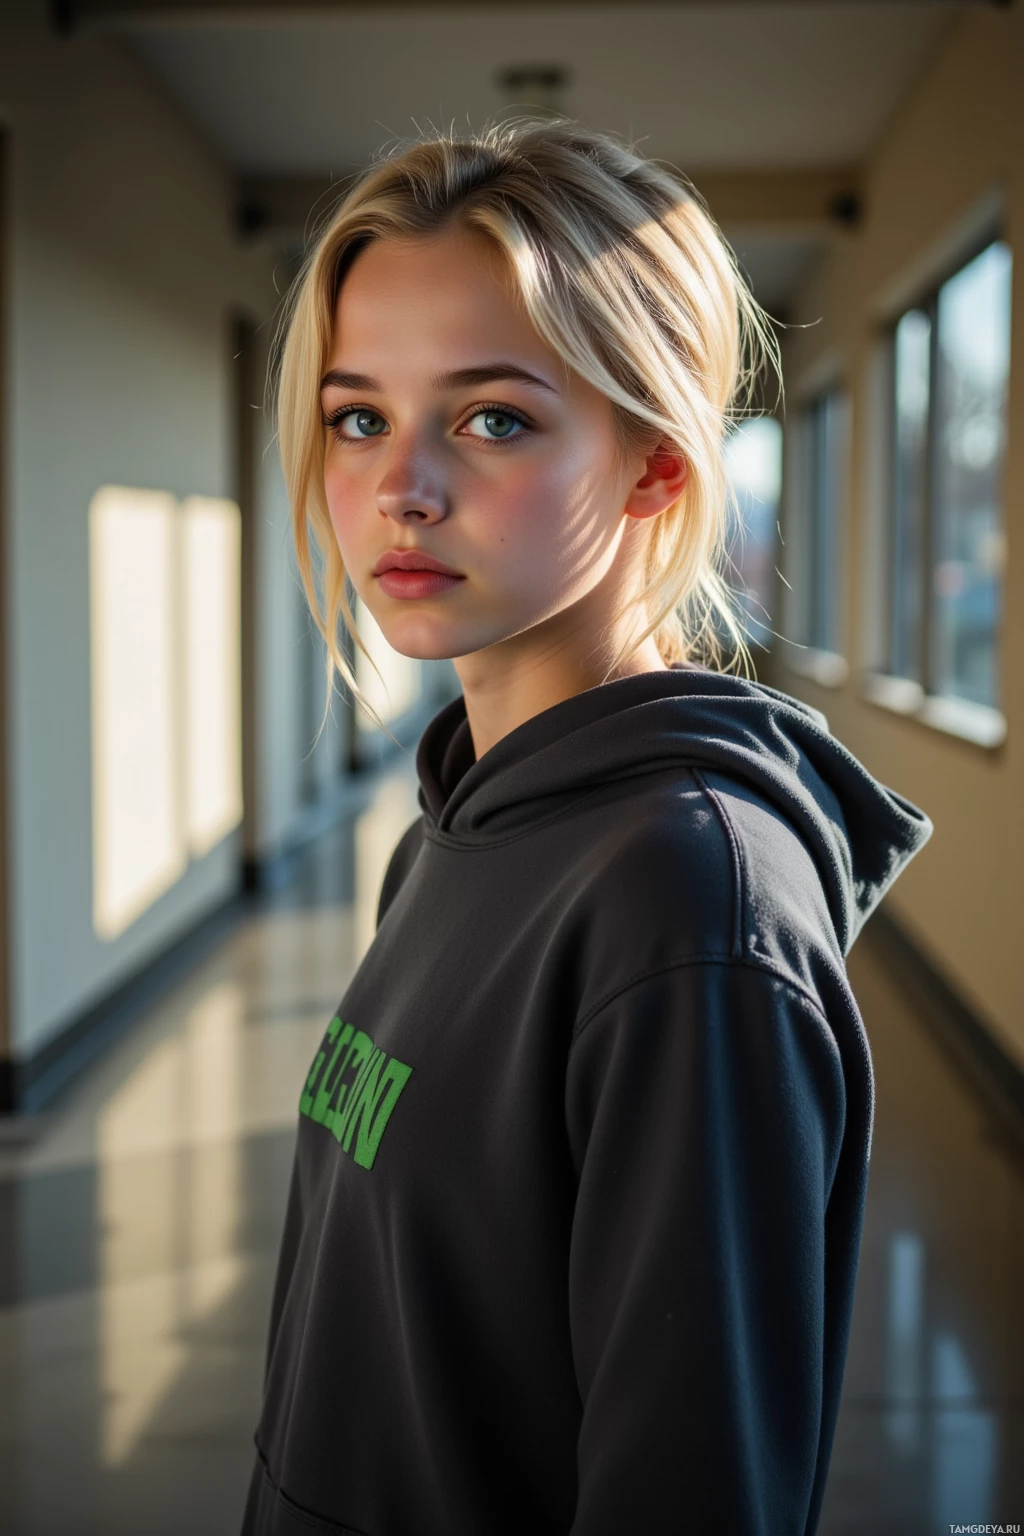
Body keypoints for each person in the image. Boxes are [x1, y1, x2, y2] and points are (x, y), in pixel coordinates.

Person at [241, 119, 932, 1536]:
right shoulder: (450, 825)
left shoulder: (687, 906)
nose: (400, 489)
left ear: (657, 471)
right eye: (358, 416)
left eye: (493, 417)